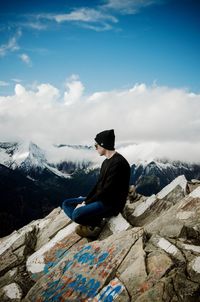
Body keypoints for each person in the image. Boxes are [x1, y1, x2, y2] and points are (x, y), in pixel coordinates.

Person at [62, 129, 130, 238]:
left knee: (76, 214)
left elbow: (107, 191)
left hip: (110, 203)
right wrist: (86, 201)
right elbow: (98, 185)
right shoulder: (106, 162)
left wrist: (87, 202)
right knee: (66, 203)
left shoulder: (118, 163)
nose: (95, 147)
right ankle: (94, 220)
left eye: (96, 145)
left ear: (104, 144)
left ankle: (94, 223)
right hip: (101, 198)